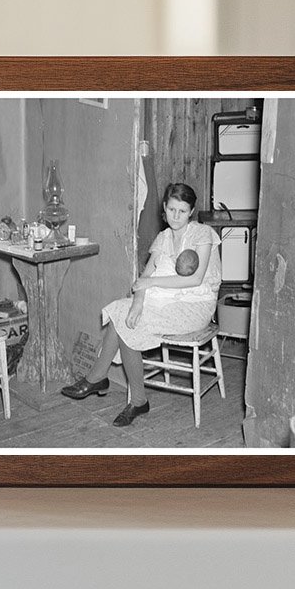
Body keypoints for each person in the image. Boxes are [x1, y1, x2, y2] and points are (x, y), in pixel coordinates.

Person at [61, 182, 222, 427]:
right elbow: (143, 280)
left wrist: (150, 284)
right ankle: (108, 383)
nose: (175, 217)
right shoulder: (162, 238)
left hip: (195, 305)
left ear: (191, 211)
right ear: (164, 209)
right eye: (171, 210)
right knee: (123, 312)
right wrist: (137, 304)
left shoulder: (202, 234)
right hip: (165, 299)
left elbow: (195, 278)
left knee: (128, 326)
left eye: (181, 211)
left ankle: (116, 388)